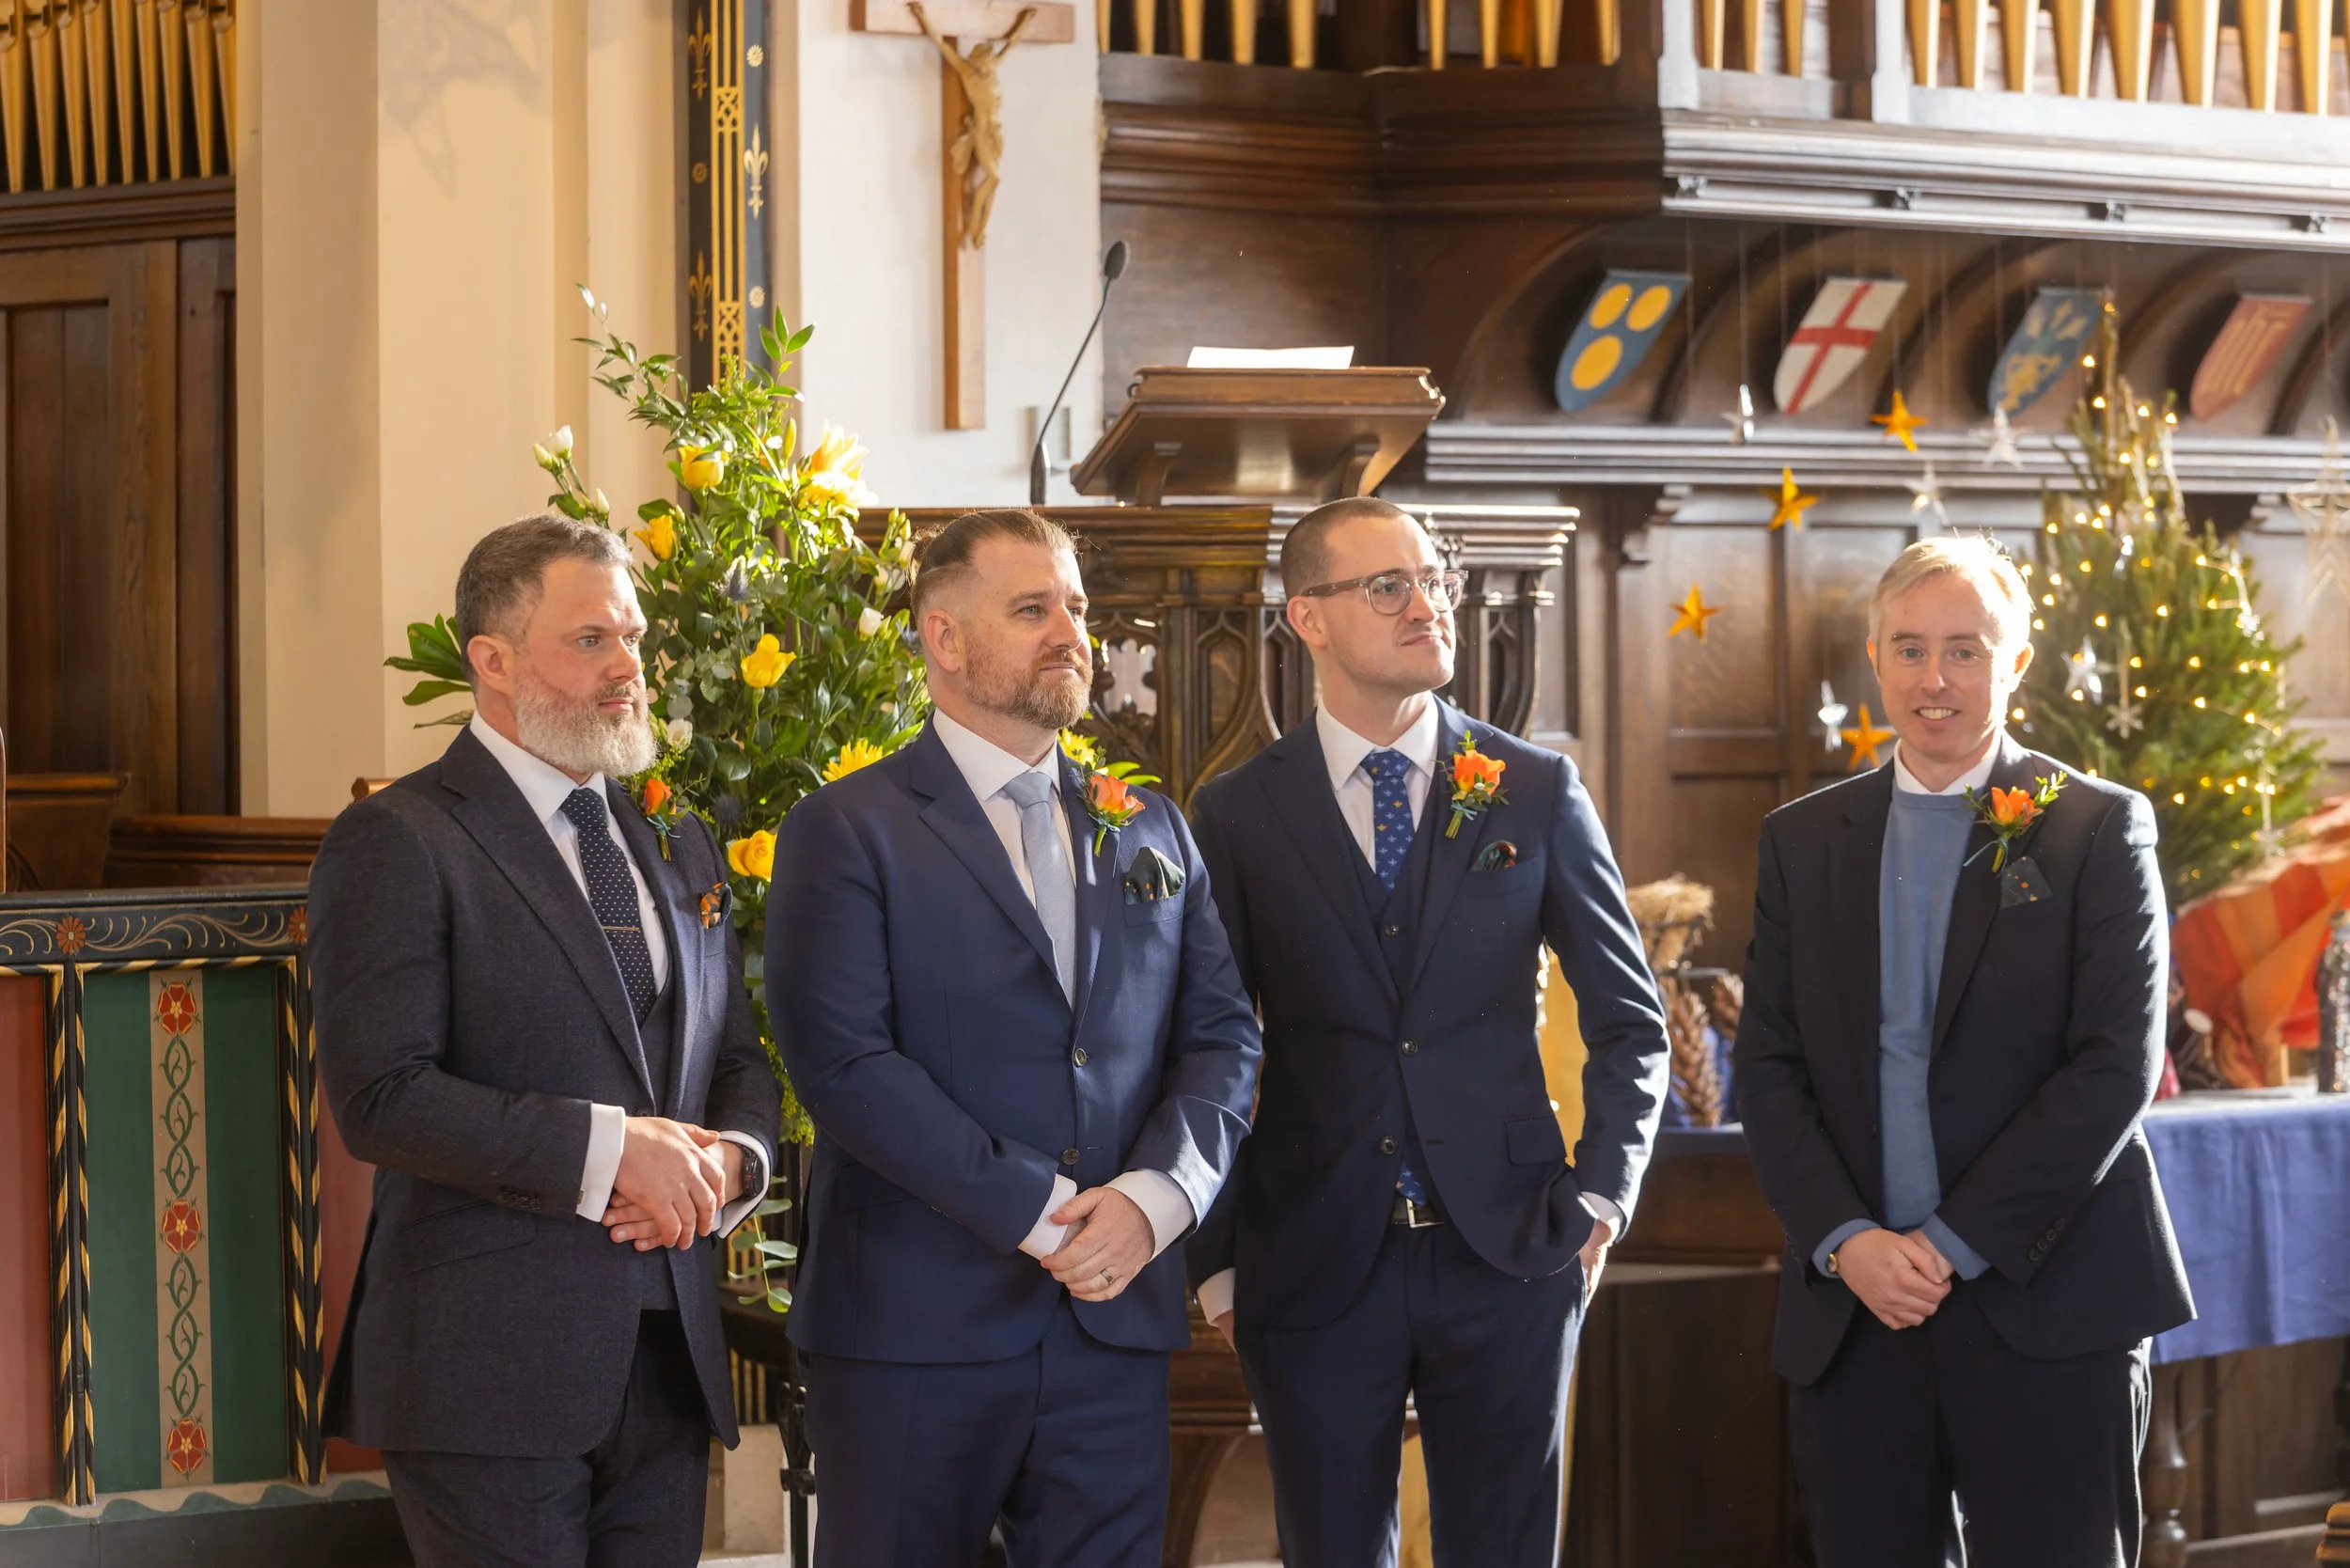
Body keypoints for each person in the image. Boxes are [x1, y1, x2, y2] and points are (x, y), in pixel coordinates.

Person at [766, 508, 1260, 1568]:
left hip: (1111, 1321)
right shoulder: (847, 828)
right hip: (912, 1328)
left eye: (1076, 607)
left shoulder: (1151, 827)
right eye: (1032, 609)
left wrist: (1154, 1200)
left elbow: (1223, 1037)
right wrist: (1042, 1216)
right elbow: (845, 1066)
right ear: (942, 637)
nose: (1072, 634)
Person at [1183, 497, 1670, 1568]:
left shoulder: (1533, 789)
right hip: (1311, 1257)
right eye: (1387, 586)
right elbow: (1202, 1044)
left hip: (1510, 1251)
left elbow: (1631, 1021)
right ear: (1308, 618)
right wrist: (1216, 1263)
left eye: (1433, 580)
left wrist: (1599, 1197)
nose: (1427, 605)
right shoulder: (1236, 812)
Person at [310, 513, 779, 1567]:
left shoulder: (676, 835)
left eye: (633, 638)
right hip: (485, 1368)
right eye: (591, 640)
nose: (629, 667)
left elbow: (735, 1059)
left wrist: (732, 1164)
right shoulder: (398, 837)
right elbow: (382, 1096)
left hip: (667, 1356)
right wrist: (614, 1150)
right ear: (494, 660)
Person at [1733, 535, 2193, 1566]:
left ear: (2015, 661)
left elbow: (2112, 1069)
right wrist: (1847, 1239)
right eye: (1909, 648)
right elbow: (1767, 1068)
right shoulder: (1801, 840)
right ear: (1874, 657)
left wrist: (1946, 1244)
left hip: (2048, 1303)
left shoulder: (2096, 829)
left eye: (1964, 650)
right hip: (1857, 1312)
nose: (1932, 678)